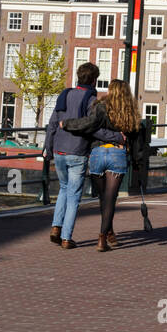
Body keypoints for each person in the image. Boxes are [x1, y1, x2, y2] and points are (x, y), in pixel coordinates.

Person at [43, 63, 122, 248]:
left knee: (63, 189)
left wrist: (48, 148)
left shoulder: (65, 94)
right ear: (94, 80)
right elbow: (93, 128)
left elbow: (52, 123)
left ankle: (56, 226)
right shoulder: (91, 99)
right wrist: (117, 137)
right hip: (77, 151)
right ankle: (66, 238)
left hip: (59, 150)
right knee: (74, 196)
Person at [62, 78, 138, 251]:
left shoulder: (101, 107)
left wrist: (66, 124)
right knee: (110, 199)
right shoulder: (130, 111)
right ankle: (103, 237)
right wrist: (135, 159)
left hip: (97, 153)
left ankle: (109, 232)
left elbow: (90, 126)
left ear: (111, 91)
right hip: (117, 154)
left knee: (103, 198)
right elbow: (134, 137)